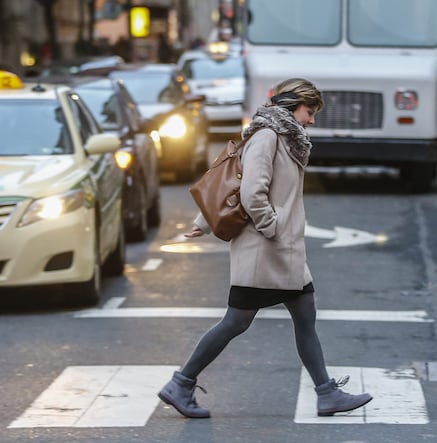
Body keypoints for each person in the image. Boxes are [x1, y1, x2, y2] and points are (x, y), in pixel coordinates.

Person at [157, 78, 372, 419]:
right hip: (265, 249)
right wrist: (273, 227)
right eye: (309, 111)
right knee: (236, 322)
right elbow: (250, 191)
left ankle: (326, 393)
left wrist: (206, 220)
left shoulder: (281, 135)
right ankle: (181, 383)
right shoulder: (267, 136)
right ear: (290, 105)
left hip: (282, 252)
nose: (312, 120)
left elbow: (236, 177)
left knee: (305, 314)